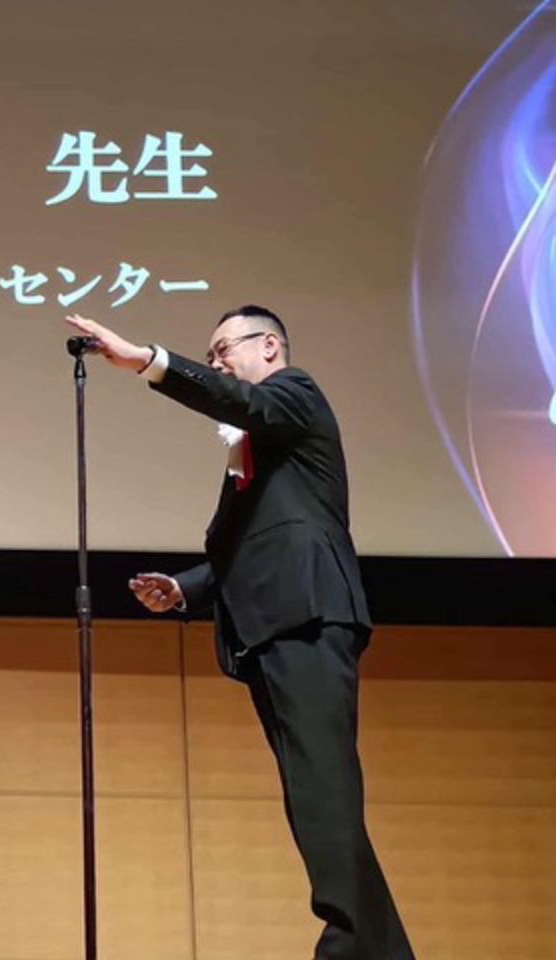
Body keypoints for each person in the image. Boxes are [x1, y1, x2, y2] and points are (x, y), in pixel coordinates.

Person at [65, 306, 415, 960]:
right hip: (275, 624)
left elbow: (240, 402)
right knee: (316, 794)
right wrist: (187, 589)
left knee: (322, 791)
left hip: (307, 613)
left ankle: (348, 946)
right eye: (211, 354)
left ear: (270, 345)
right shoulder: (264, 450)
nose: (218, 362)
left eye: (224, 349)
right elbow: (255, 545)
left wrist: (147, 360)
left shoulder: (295, 393)